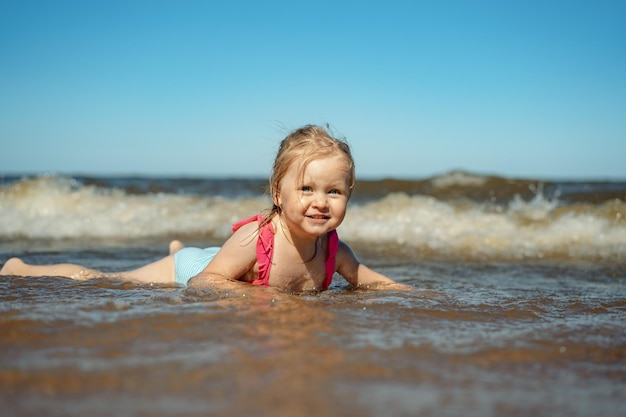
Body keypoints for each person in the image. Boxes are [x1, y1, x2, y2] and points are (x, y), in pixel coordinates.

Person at [1, 125, 408, 292]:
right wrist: (262, 302)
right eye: (306, 188)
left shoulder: (337, 251)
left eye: (334, 192)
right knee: (100, 279)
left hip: (219, 261)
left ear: (349, 195)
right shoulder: (254, 239)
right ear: (278, 194)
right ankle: (20, 267)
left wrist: (419, 296)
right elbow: (204, 284)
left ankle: (180, 246)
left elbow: (376, 283)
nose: (320, 201)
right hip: (196, 268)